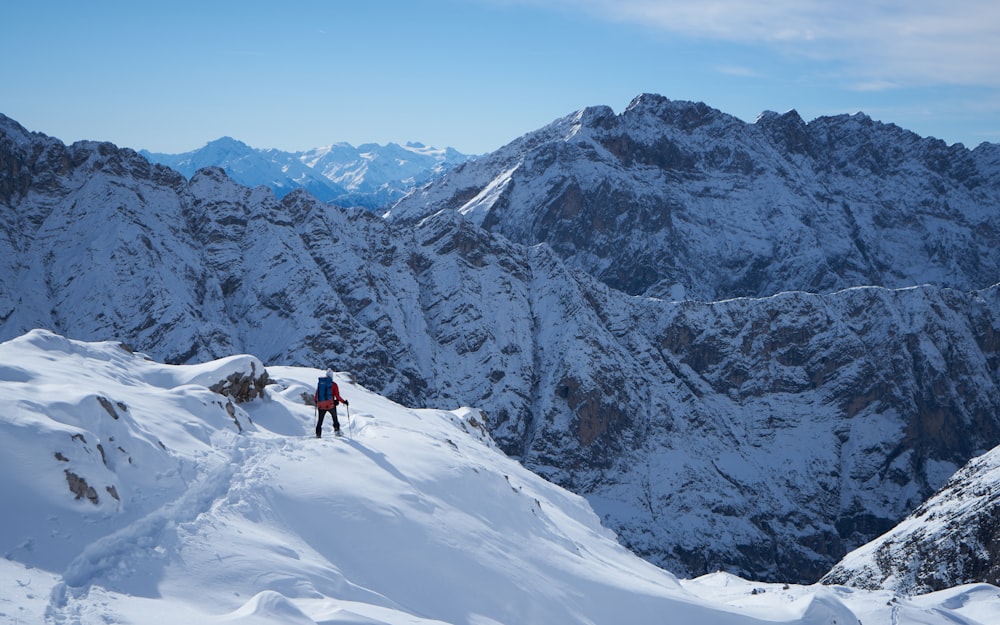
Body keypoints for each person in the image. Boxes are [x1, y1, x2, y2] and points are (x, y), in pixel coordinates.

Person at [314, 368, 348, 438]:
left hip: (321, 405)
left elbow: (316, 395)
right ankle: (337, 432)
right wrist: (344, 402)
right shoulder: (334, 385)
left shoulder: (321, 384)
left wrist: (317, 402)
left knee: (320, 421)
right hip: (330, 405)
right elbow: (337, 396)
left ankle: (318, 435)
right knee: (335, 418)